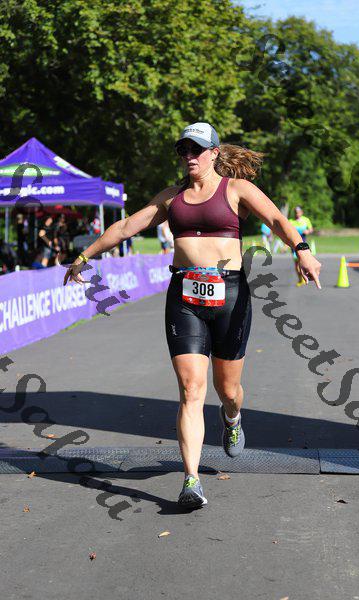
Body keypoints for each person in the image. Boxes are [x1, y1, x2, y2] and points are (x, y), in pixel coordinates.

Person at [63, 122, 321, 509]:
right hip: (184, 296)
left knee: (228, 391)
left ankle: (232, 418)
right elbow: (127, 225)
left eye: (196, 149)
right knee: (190, 390)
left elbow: (278, 221)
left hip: (229, 295)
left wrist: (302, 251)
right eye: (183, 150)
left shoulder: (236, 190)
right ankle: (191, 480)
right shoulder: (172, 197)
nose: (189, 156)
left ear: (214, 153)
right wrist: (85, 255)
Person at [289, 206, 314, 287]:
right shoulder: (291, 221)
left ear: (301, 212)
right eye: (296, 212)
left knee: (304, 262)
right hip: (294, 246)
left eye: (298, 212)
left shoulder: (306, 220)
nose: (297, 214)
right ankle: (300, 279)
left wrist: (308, 231)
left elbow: (311, 229)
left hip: (303, 245)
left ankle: (305, 276)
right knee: (297, 264)